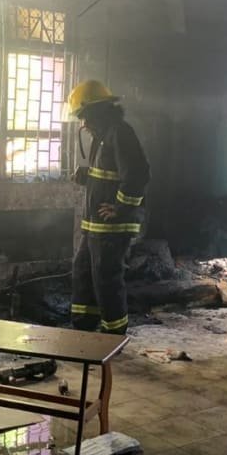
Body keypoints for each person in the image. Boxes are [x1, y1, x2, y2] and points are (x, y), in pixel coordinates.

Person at [67, 80, 150, 334]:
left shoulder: (120, 133)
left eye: (84, 117)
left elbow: (138, 174)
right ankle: (83, 326)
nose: (83, 124)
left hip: (113, 226)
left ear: (96, 111)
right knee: (83, 272)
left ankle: (113, 333)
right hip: (95, 226)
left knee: (106, 278)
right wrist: (86, 176)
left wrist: (120, 208)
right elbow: (109, 175)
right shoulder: (103, 136)